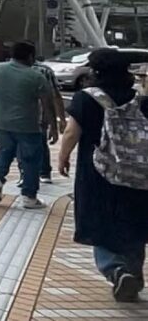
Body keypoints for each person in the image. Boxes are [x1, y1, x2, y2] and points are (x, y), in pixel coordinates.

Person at [57, 49, 148, 303]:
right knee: (134, 222)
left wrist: (63, 157)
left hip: (98, 173)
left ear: (95, 71)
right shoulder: (140, 98)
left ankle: (116, 270)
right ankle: (133, 273)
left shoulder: (86, 98)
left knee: (101, 221)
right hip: (139, 173)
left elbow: (71, 132)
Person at [0, 40, 57, 209]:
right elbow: (48, 104)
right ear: (30, 56)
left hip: (0, 122)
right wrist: (53, 126)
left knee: (4, 151)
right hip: (27, 125)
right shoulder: (36, 76)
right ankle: (29, 197)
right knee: (30, 159)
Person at [32, 57, 67, 184]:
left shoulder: (10, 69)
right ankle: (44, 172)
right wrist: (60, 119)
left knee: (22, 144)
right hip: (41, 115)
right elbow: (55, 95)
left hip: (20, 116)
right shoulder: (44, 70)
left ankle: (28, 173)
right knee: (41, 142)